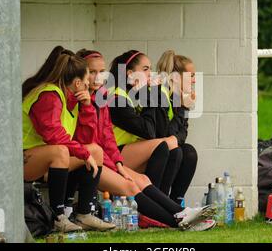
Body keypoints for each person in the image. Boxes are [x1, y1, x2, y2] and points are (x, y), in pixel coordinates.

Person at [73, 49, 216, 231]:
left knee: (146, 176)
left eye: (101, 72)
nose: (98, 77)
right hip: (96, 157)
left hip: (111, 156)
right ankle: (178, 220)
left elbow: (110, 136)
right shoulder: (114, 96)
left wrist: (117, 164)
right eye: (146, 69)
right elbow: (150, 133)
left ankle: (181, 213)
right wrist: (152, 97)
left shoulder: (104, 96)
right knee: (159, 152)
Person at [22, 46, 115, 232]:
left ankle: (84, 214)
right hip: (21, 160)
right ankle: (58, 217)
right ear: (78, 83)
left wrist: (88, 106)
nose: (91, 83)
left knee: (95, 150)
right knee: (61, 150)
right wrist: (82, 153)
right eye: (87, 78)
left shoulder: (69, 98)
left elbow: (87, 139)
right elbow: (53, 134)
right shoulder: (49, 94)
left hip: (44, 160)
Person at [107, 50, 183, 194]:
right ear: (130, 74)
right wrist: (148, 98)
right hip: (114, 153)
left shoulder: (135, 93)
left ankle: (164, 201)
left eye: (150, 69)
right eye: (145, 69)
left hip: (132, 151)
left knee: (176, 151)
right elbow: (149, 133)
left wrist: (152, 93)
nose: (150, 74)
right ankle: (152, 204)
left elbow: (160, 131)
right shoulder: (117, 99)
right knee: (162, 146)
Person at [155, 50, 199, 205]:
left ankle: (176, 202)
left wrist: (182, 106)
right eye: (191, 76)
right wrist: (181, 108)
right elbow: (166, 133)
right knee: (177, 151)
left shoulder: (178, 98)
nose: (194, 80)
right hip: (151, 150)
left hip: (167, 147)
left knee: (189, 152)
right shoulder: (161, 95)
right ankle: (163, 202)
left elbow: (182, 135)